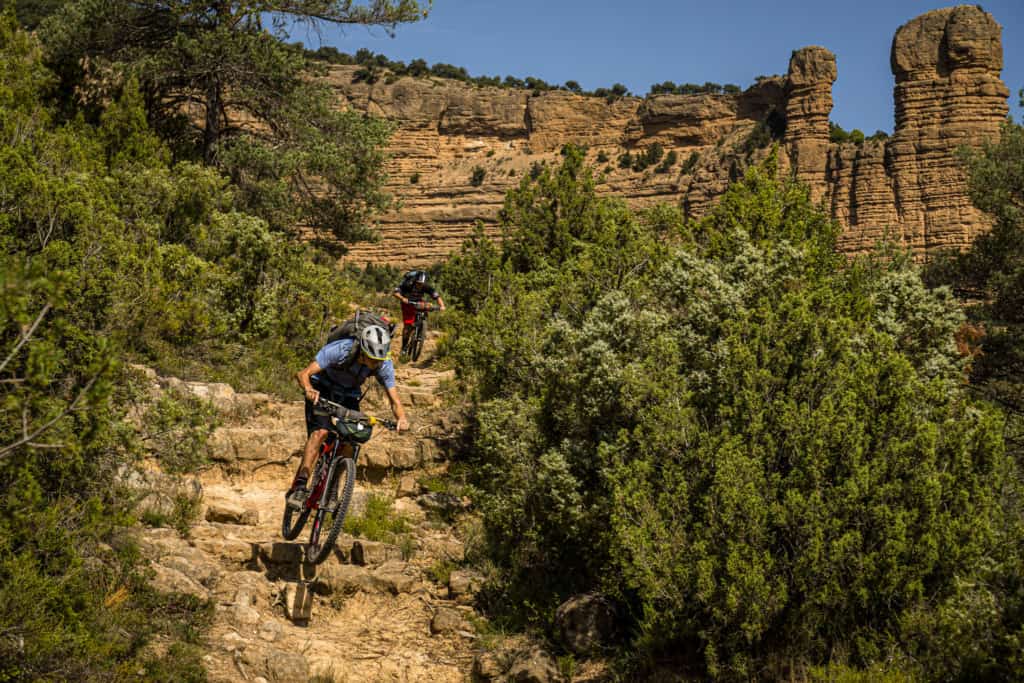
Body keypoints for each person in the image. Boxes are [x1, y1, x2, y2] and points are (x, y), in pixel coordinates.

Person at [286, 324, 409, 508]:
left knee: (351, 441)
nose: (376, 364)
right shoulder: (342, 349)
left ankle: (333, 485)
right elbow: (303, 373)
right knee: (320, 433)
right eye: (372, 359)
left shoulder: (384, 364)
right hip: (322, 389)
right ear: (363, 351)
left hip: (349, 395)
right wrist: (309, 389)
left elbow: (395, 400)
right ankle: (300, 487)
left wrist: (402, 418)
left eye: (379, 360)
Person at [392, 270, 445, 356]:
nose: (420, 285)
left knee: (427, 306)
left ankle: (421, 327)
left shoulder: (426, 286)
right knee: (407, 327)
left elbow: (436, 296)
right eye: (418, 283)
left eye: (421, 284)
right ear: (414, 281)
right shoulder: (408, 284)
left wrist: (442, 306)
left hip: (418, 302)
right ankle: (404, 347)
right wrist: (402, 298)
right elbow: (395, 292)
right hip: (407, 303)